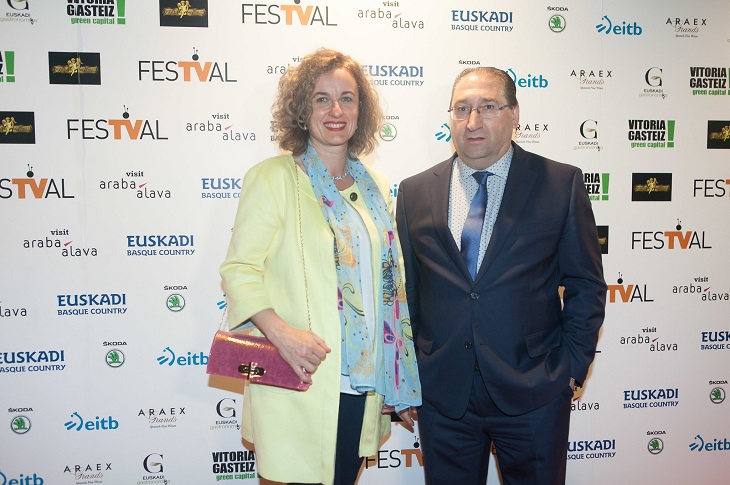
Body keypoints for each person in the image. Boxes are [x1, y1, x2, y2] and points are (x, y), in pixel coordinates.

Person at [395, 67, 607, 484]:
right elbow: (410, 292)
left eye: (488, 107)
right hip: (444, 395)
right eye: (462, 109)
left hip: (535, 391)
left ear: (514, 114)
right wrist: (408, 375)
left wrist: (570, 367)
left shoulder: (560, 183)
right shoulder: (414, 191)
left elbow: (585, 283)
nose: (472, 121)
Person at [219, 48, 420, 485]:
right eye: (321, 99)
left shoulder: (377, 186)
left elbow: (388, 283)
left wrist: (397, 370)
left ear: (361, 111)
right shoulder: (273, 177)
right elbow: (239, 270)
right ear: (301, 109)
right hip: (299, 372)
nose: (336, 111)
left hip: (364, 383)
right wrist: (283, 335)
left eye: (347, 98)